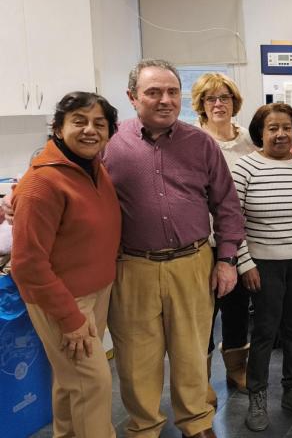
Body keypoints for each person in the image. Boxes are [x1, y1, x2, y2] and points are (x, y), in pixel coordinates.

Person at [105, 59, 245, 438]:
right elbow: (66, 170)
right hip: (132, 266)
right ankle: (144, 427)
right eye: (153, 92)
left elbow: (227, 205)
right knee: (136, 357)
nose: (165, 99)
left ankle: (196, 422)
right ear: (132, 97)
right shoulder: (110, 143)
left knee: (192, 350)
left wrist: (227, 259)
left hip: (193, 263)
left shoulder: (200, 143)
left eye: (172, 91)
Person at [11, 92, 120, 437]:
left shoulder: (94, 168)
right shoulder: (42, 183)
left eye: (99, 124)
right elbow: (27, 264)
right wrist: (70, 319)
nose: (90, 130)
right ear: (58, 128)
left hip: (96, 292)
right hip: (64, 300)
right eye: (79, 121)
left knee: (71, 381)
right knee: (93, 385)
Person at [232, 103, 292, 432]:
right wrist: (245, 263)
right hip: (263, 265)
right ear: (260, 132)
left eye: (286, 127)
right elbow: (232, 220)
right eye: (272, 128)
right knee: (264, 331)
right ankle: (257, 396)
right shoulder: (246, 167)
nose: (280, 134)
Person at [191, 72, 256, 398]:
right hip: (202, 242)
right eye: (210, 98)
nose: (218, 104)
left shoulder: (249, 141)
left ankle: (236, 370)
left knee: (237, 310)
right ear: (201, 105)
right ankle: (200, 380)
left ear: (234, 102)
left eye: (224, 97)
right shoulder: (191, 141)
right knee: (202, 313)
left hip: (239, 242)